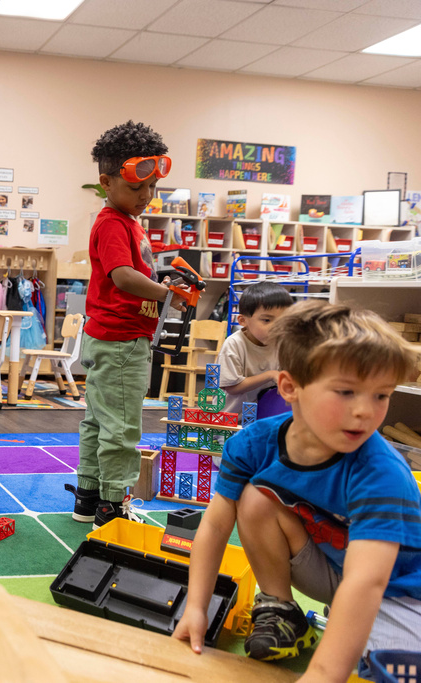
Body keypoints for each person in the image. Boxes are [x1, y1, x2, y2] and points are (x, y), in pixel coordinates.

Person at [173, 301, 421, 682]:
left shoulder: (382, 472)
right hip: (333, 568)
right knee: (254, 497)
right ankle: (282, 610)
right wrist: (195, 607)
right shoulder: (252, 445)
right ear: (290, 388)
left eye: (381, 395)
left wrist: (321, 673)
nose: (365, 411)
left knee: (391, 672)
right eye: (346, 392)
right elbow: (216, 525)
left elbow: (367, 582)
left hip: (399, 590)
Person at [65, 120, 183, 529]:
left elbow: (136, 275)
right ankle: (112, 506)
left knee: (99, 421)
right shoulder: (113, 223)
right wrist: (167, 294)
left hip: (114, 338)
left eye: (153, 187)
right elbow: (123, 277)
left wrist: (162, 285)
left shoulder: (127, 222)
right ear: (107, 182)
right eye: (136, 188)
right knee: (122, 427)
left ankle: (89, 496)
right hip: (121, 342)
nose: (146, 195)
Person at [217, 282, 294, 414]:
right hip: (232, 419)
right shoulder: (234, 344)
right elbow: (232, 388)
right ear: (243, 321)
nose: (276, 327)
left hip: (264, 417)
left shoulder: (281, 343)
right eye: (267, 320)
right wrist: (270, 375)